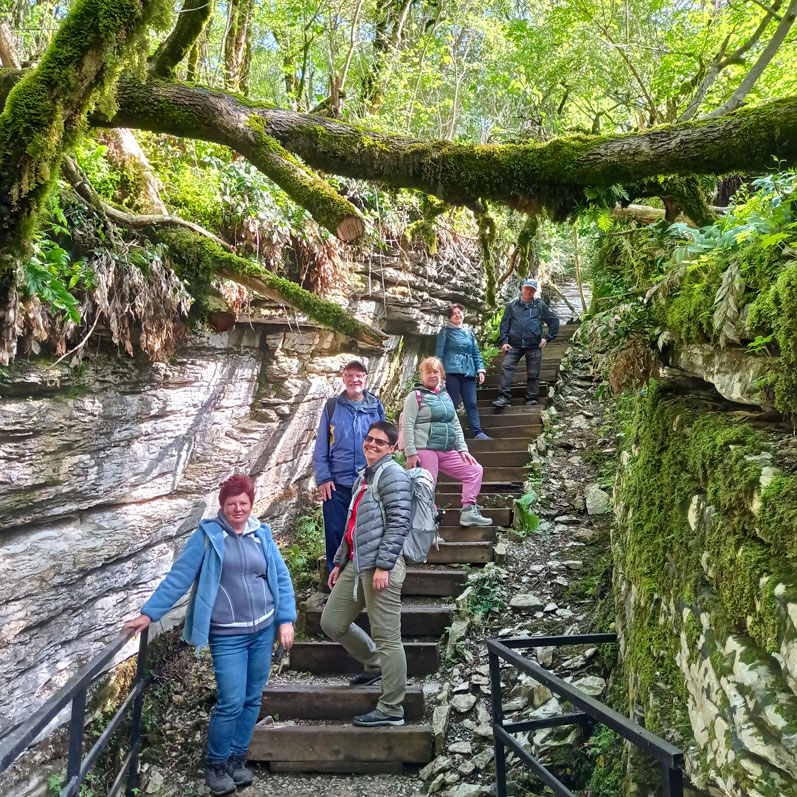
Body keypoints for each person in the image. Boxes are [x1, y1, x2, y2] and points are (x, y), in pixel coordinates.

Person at [123, 475, 296, 796]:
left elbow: (281, 578)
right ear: (222, 506)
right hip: (227, 636)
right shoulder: (208, 537)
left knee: (252, 698)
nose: (238, 509)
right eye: (232, 504)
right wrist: (150, 613)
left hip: (263, 631)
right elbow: (178, 577)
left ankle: (236, 759)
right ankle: (216, 764)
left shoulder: (262, 534)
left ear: (251, 503)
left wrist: (286, 619)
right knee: (231, 700)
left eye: (243, 503)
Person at [320, 420, 412, 727]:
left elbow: (400, 522)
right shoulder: (365, 475)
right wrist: (338, 562)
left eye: (380, 442)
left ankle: (392, 708)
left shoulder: (394, 474)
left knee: (388, 638)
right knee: (332, 622)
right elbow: (353, 524)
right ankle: (373, 665)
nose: (372, 445)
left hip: (380, 567)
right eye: (369, 439)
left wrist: (384, 565)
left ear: (392, 447)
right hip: (356, 563)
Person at [312, 359, 386, 572]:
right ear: (343, 379)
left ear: (366, 379)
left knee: (366, 530)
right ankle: (335, 580)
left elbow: (383, 443)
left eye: (359, 375)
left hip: (367, 481)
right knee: (335, 531)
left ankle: (362, 577)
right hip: (336, 483)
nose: (355, 379)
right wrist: (324, 478)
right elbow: (321, 445)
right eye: (350, 375)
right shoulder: (333, 406)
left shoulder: (375, 406)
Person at [403, 357, 491, 527]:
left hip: (447, 449)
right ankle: (426, 525)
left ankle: (468, 512)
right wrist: (411, 453)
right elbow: (408, 424)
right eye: (428, 372)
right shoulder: (415, 396)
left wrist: (463, 449)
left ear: (441, 374)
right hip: (425, 447)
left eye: (436, 372)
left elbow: (455, 423)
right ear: (422, 375)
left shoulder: (446, 396)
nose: (432, 375)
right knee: (428, 485)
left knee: (474, 470)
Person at [492, 278, 560, 408]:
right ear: (522, 288)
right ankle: (504, 397)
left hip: (534, 346)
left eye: (532, 289)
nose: (528, 291)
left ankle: (531, 399)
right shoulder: (512, 305)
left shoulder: (540, 305)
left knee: (533, 373)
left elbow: (554, 321)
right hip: (514, 345)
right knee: (506, 367)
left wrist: (547, 338)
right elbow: (504, 324)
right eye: (527, 288)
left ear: (535, 291)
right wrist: (504, 341)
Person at [435, 302, 490, 440]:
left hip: (469, 372)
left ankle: (477, 432)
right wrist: (439, 374)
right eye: (453, 314)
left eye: (459, 312)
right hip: (451, 371)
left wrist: (480, 370)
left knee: (471, 403)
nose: (457, 315)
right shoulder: (445, 332)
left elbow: (475, 352)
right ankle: (450, 434)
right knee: (452, 403)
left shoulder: (469, 333)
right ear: (450, 317)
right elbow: (439, 354)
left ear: (463, 313)